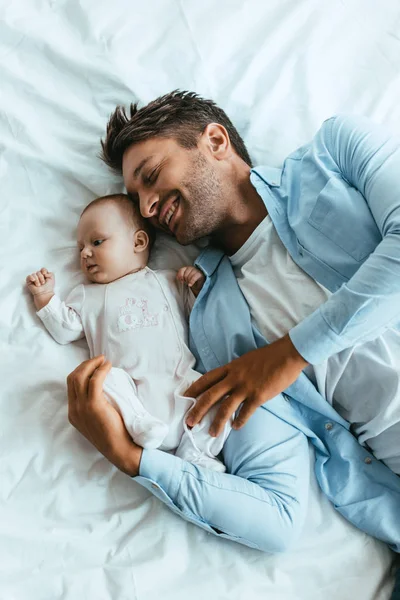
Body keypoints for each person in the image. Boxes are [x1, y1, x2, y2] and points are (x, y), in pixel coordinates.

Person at [66, 91, 400, 559]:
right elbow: (277, 516)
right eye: (136, 200)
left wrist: (288, 356)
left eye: (151, 176)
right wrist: (133, 458)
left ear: (216, 141)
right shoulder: (211, 328)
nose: (144, 208)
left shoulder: (336, 152)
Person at [26, 193, 230, 471]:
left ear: (138, 242)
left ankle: (195, 451)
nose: (85, 253)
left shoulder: (167, 280)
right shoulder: (87, 295)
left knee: (222, 394)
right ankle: (138, 422)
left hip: (182, 385)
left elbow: (199, 316)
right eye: (81, 248)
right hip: (130, 394)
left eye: (97, 242)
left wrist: (196, 287)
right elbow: (65, 330)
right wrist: (45, 297)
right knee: (101, 376)